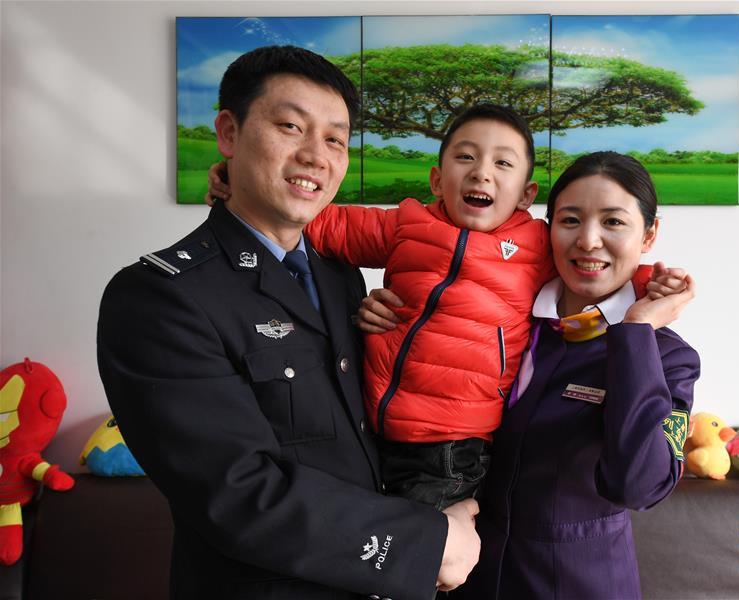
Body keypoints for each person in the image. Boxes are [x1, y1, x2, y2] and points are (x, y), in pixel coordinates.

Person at [96, 45, 479, 600]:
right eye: (290, 127)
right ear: (229, 134)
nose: (316, 156)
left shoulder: (337, 275)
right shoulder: (160, 297)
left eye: (335, 140)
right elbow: (237, 493)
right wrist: (426, 543)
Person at [206, 105, 676, 513]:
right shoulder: (407, 224)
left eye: (502, 163)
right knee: (354, 541)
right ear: (437, 177)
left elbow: (594, 268)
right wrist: (246, 184)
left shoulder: (534, 244)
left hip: (452, 445)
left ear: (527, 195)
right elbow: (326, 224)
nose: (481, 173)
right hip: (370, 424)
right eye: (465, 157)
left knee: (416, 558)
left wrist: (651, 285)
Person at [360, 151, 699, 599]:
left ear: (649, 233)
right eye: (571, 220)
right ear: (547, 229)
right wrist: (384, 317)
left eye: (614, 222)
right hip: (468, 577)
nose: (589, 241)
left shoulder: (667, 358)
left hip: (578, 585)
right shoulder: (506, 322)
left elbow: (639, 485)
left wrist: (635, 332)